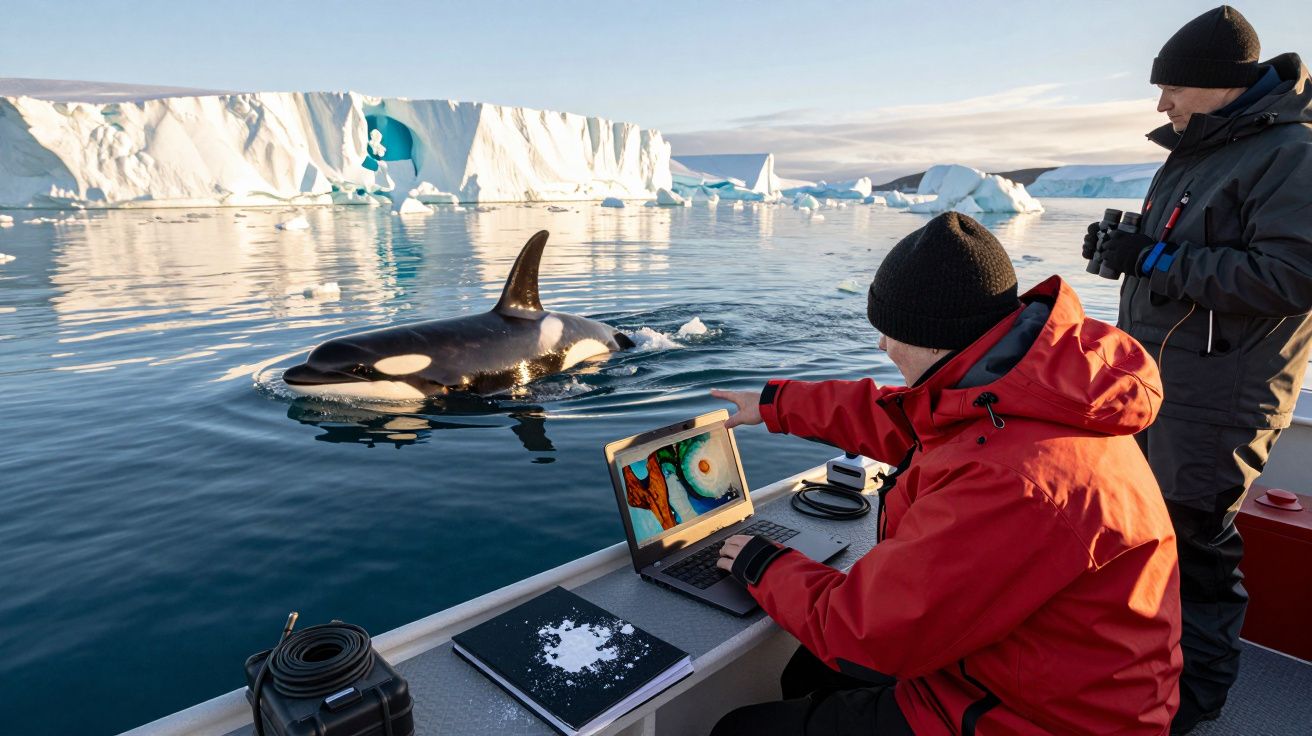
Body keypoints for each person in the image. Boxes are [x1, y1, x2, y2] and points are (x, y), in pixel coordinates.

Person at [709, 212, 1182, 735]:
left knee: (741, 729)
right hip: (1018, 672)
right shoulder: (1023, 393)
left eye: (890, 333)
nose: (881, 348)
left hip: (1035, 718)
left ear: (934, 340)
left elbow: (869, 637)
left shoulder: (1016, 480)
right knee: (807, 671)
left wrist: (762, 564)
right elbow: (907, 421)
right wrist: (775, 404)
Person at [1080, 6, 1312, 732]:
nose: (1161, 104)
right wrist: (1127, 248)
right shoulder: (1195, 154)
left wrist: (1160, 260)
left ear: (1217, 84)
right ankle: (1137, 671)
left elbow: (1291, 275)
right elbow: (1184, 258)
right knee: (1143, 538)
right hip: (1157, 384)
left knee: (1195, 552)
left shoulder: (1291, 153)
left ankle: (1193, 703)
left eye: (1172, 88)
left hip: (1220, 396)